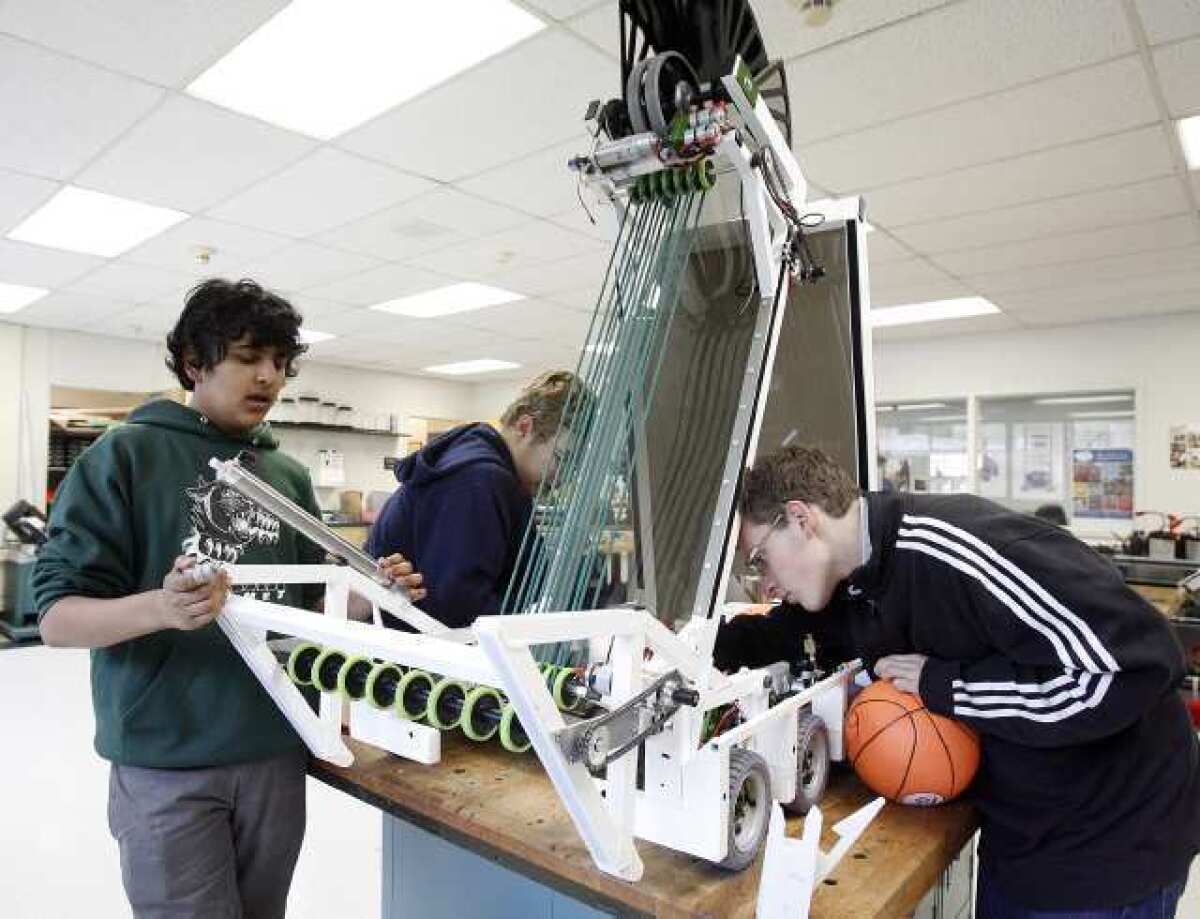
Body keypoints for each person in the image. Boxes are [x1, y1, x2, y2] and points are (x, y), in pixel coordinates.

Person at [33, 278, 421, 919]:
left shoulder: (286, 475)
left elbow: (303, 608)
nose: (267, 377)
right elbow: (56, 620)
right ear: (194, 363)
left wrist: (373, 597)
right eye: (247, 358)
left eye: (279, 363)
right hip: (169, 760)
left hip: (275, 747)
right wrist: (162, 607)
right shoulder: (124, 457)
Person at [714, 445, 1199, 918]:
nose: (768, 586)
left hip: (1109, 847)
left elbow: (1132, 668)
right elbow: (791, 633)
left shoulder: (957, 547)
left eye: (759, 559)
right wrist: (692, 648)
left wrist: (949, 685)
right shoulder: (857, 584)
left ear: (800, 520)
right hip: (1021, 835)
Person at [367, 370, 586, 629]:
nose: (561, 479)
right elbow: (457, 607)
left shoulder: (490, 474)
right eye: (561, 459)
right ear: (525, 427)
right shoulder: (478, 479)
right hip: (413, 654)